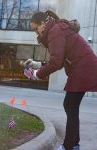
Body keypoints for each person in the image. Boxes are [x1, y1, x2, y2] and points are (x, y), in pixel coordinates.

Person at [22, 10, 97, 150]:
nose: (36, 33)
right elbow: (60, 59)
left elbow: (56, 62)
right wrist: (38, 65)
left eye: (36, 28)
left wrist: (37, 74)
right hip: (83, 67)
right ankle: (73, 144)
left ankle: (69, 146)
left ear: (43, 23)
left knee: (70, 105)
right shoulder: (56, 28)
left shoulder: (55, 31)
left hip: (83, 68)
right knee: (71, 106)